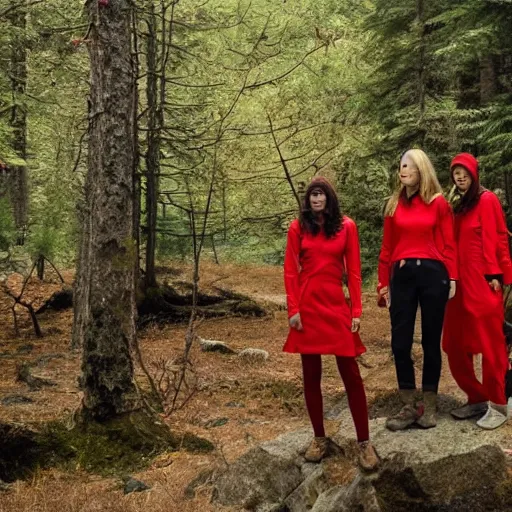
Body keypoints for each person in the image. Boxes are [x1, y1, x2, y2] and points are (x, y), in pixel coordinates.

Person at [283, 176, 379, 471]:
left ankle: (364, 442)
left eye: (321, 194)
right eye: (312, 194)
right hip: (308, 307)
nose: (316, 199)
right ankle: (319, 438)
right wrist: (293, 309)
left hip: (337, 306)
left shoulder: (347, 227)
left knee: (351, 374)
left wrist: (357, 310)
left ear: (329, 198)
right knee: (311, 375)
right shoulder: (297, 227)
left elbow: (353, 272)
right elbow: (290, 270)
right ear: (307, 199)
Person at [377, 149, 457, 431]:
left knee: (430, 342)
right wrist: (382, 283)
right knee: (400, 342)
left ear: (421, 169)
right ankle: (409, 404)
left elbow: (448, 244)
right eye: (401, 166)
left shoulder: (438, 203)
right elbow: (387, 247)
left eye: (408, 166)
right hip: (401, 276)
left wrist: (454, 278)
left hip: (434, 275)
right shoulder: (393, 204)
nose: (403, 170)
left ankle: (430, 406)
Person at [442, 153, 512, 429]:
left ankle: (498, 404)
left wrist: (500, 275)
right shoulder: (459, 204)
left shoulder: (487, 200)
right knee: (453, 345)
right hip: (456, 287)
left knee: (491, 344)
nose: (459, 177)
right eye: (455, 173)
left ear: (473, 174)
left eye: (464, 172)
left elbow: (498, 238)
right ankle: (476, 397)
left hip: (483, 283)